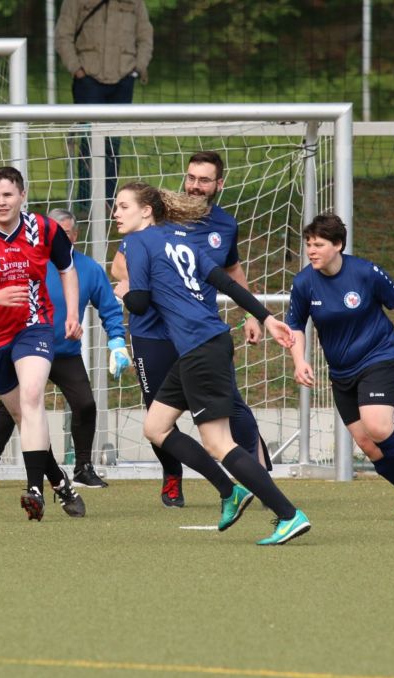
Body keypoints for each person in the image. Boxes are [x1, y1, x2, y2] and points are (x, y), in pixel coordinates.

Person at [113, 182, 310, 545]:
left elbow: (138, 303)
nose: (116, 213)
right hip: (204, 344)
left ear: (146, 211)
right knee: (156, 427)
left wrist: (125, 292)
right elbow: (226, 283)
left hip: (200, 347)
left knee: (218, 442)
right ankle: (229, 491)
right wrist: (266, 317)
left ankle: (288, 514)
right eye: (116, 206)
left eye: (123, 206)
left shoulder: (138, 242)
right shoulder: (182, 238)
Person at [111, 151, 270, 508]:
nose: (195, 186)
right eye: (191, 178)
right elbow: (119, 267)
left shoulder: (225, 225)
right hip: (152, 331)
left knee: (232, 406)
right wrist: (147, 289)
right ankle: (173, 476)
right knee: (158, 417)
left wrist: (252, 315)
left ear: (219, 184)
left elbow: (230, 273)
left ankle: (257, 477)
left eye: (204, 180)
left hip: (197, 331)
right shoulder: (153, 222)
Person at [0, 166, 87, 521]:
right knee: (24, 416)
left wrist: (72, 313)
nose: (1, 202)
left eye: (8, 195)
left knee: (32, 396)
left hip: (33, 327)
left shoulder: (44, 228)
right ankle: (60, 482)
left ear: (22, 195)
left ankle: (34, 489)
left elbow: (67, 268)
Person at [286, 213, 394, 521]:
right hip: (341, 372)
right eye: (308, 244)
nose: (311, 251)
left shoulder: (365, 272)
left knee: (377, 426)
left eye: (319, 245)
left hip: (380, 357)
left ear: (338, 245)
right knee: (368, 445)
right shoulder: (304, 282)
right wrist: (299, 360)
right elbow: (295, 325)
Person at [0, 208, 129, 490]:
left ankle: (83, 467)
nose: (59, 237)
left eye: (65, 233)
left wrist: (117, 342)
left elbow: (109, 308)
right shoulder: (26, 263)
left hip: (65, 352)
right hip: (28, 350)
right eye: (54, 232)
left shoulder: (89, 269)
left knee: (85, 404)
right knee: (14, 405)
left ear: (75, 236)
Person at [55, 0, 153, 207]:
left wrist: (137, 69)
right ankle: (86, 203)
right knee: (89, 142)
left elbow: (145, 35)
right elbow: (63, 35)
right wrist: (77, 70)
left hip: (123, 78)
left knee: (113, 144)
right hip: (88, 80)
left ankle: (109, 203)